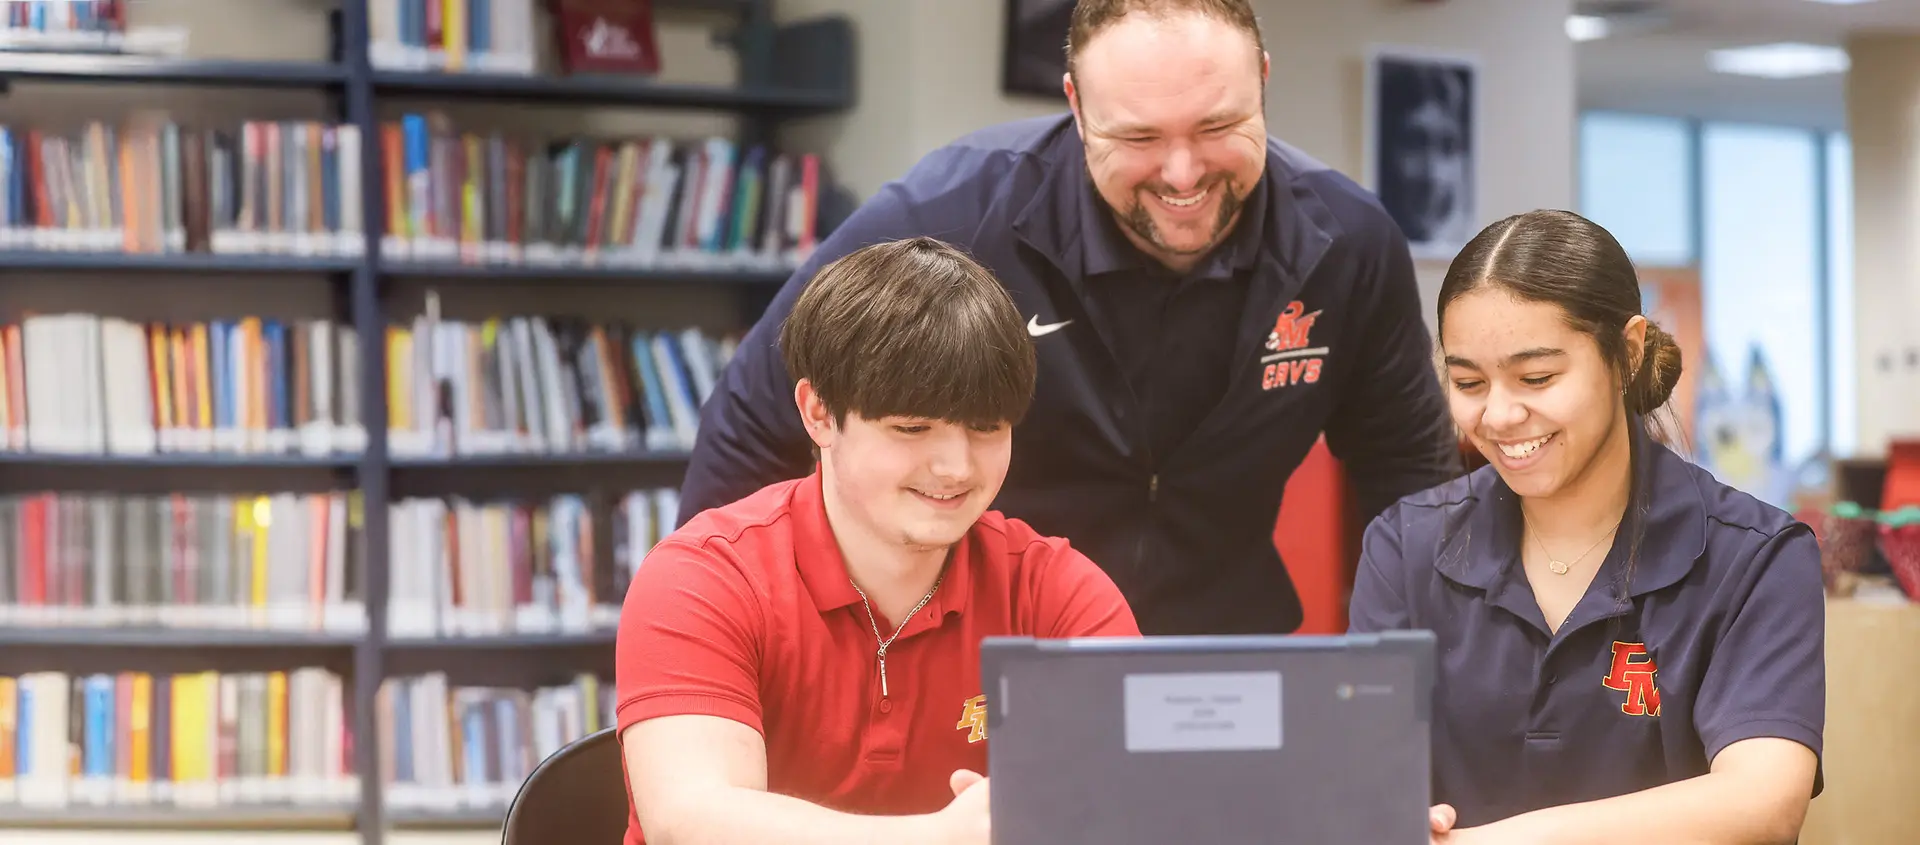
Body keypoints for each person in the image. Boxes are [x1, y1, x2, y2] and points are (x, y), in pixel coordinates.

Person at [677, 0, 1462, 637]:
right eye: (1140, 138)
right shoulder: (954, 213)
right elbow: (758, 417)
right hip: (988, 653)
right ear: (1077, 107)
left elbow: (1409, 477)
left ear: (1262, 79)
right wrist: (732, 638)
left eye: (1217, 128)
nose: (1183, 174)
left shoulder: (1349, 243)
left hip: (1220, 646)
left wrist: (1401, 677)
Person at [614, 236, 1140, 845]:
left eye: (986, 428)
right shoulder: (703, 577)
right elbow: (692, 821)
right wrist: (942, 838)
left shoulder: (1056, 590)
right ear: (818, 414)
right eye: (912, 428)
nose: (956, 468)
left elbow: (1134, 803)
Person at [1347, 209, 1824, 844]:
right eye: (1468, 382)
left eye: (1537, 378)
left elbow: (1762, 803)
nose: (1498, 414)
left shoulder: (1755, 558)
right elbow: (1358, 775)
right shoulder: (1404, 547)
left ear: (1626, 353)